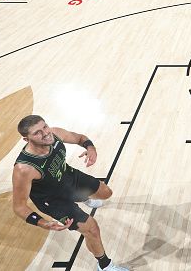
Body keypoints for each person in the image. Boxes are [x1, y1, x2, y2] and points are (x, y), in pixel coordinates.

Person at [12, 115, 128, 271]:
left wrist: (90, 148)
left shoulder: (55, 134)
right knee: (92, 229)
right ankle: (105, 265)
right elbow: (19, 207)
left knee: (106, 193)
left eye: (45, 126)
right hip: (52, 200)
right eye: (37, 132)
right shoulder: (24, 168)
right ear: (26, 139)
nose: (45, 133)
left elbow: (80, 138)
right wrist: (42, 222)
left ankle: (82, 197)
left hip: (68, 177)